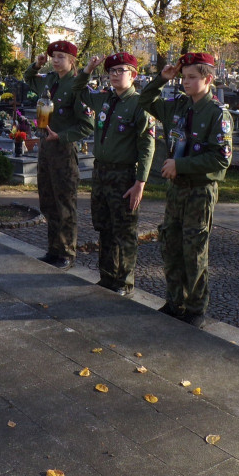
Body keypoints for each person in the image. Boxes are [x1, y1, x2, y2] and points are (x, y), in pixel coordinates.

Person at [137, 52, 232, 328]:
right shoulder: (178, 106)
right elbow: (144, 100)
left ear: (208, 79)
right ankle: (174, 301)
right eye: (183, 77)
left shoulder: (217, 114)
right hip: (176, 190)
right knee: (171, 245)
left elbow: (220, 159)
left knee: (194, 250)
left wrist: (181, 165)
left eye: (192, 77)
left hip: (199, 191)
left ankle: (195, 307)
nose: (185, 82)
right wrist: (161, 79)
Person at [72, 53, 155, 296]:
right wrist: (88, 68)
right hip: (102, 173)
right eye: (112, 71)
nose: (115, 75)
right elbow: (77, 89)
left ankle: (124, 281)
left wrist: (141, 182)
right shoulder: (104, 100)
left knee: (125, 231)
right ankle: (107, 277)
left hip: (124, 176)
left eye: (121, 70)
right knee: (104, 227)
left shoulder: (140, 105)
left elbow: (147, 146)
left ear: (133, 75)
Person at [24, 41, 94, 269]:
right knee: (48, 201)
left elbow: (87, 125)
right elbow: (29, 79)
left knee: (65, 204)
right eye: (53, 56)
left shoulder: (76, 86)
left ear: (72, 61)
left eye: (61, 56)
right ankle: (53, 249)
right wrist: (36, 65)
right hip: (46, 148)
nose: (55, 60)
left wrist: (62, 136)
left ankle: (66, 253)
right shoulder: (51, 80)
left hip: (63, 150)